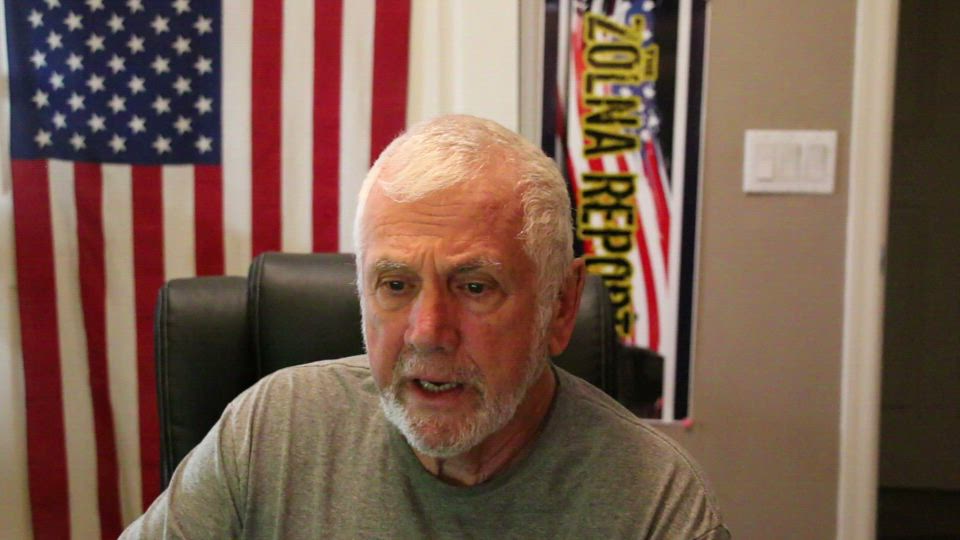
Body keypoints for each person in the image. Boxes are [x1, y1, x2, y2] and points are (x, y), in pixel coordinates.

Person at [122, 115, 730, 539]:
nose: (427, 331)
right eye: (396, 285)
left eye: (475, 286)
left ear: (562, 305)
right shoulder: (270, 432)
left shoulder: (655, 504)